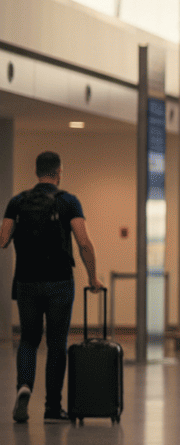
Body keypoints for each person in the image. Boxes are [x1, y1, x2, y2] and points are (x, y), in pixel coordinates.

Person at [3, 151, 104, 423]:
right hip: (59, 282)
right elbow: (83, 242)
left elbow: (3, 239)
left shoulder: (17, 201)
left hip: (26, 281)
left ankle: (24, 385)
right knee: (56, 343)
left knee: (28, 339)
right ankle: (52, 408)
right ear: (59, 172)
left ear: (37, 172)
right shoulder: (68, 202)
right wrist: (93, 277)